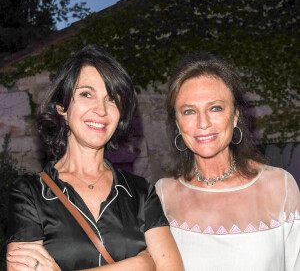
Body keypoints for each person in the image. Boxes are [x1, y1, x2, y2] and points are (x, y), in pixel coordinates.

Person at [6, 44, 183, 271]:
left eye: (112, 98)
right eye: (86, 94)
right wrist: (139, 264)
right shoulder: (29, 193)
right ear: (62, 106)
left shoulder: (140, 192)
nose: (101, 109)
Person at [155, 52, 300, 271]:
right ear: (177, 122)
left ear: (235, 117)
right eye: (189, 111)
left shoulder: (281, 186)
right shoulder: (162, 195)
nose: (203, 123)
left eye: (215, 108)